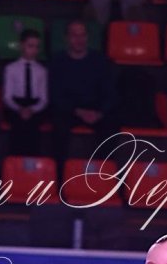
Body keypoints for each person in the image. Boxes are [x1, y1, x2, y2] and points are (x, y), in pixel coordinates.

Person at [49, 19, 119, 168]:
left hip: (95, 110)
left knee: (111, 125)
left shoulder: (100, 61)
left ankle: (103, 172)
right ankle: (60, 172)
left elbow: (109, 92)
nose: (79, 40)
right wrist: (78, 111)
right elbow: (55, 95)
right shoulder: (57, 62)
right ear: (67, 38)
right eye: (74, 35)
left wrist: (99, 112)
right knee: (58, 126)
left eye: (82, 35)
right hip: (69, 111)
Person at [3, 29, 48, 156]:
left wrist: (32, 109)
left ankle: (33, 160)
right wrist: (19, 109)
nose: (34, 50)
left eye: (37, 47)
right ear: (22, 45)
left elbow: (44, 99)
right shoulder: (11, 68)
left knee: (33, 125)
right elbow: (7, 97)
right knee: (18, 124)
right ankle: (15, 160)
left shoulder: (42, 71)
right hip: (16, 103)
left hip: (34, 105)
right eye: (30, 46)